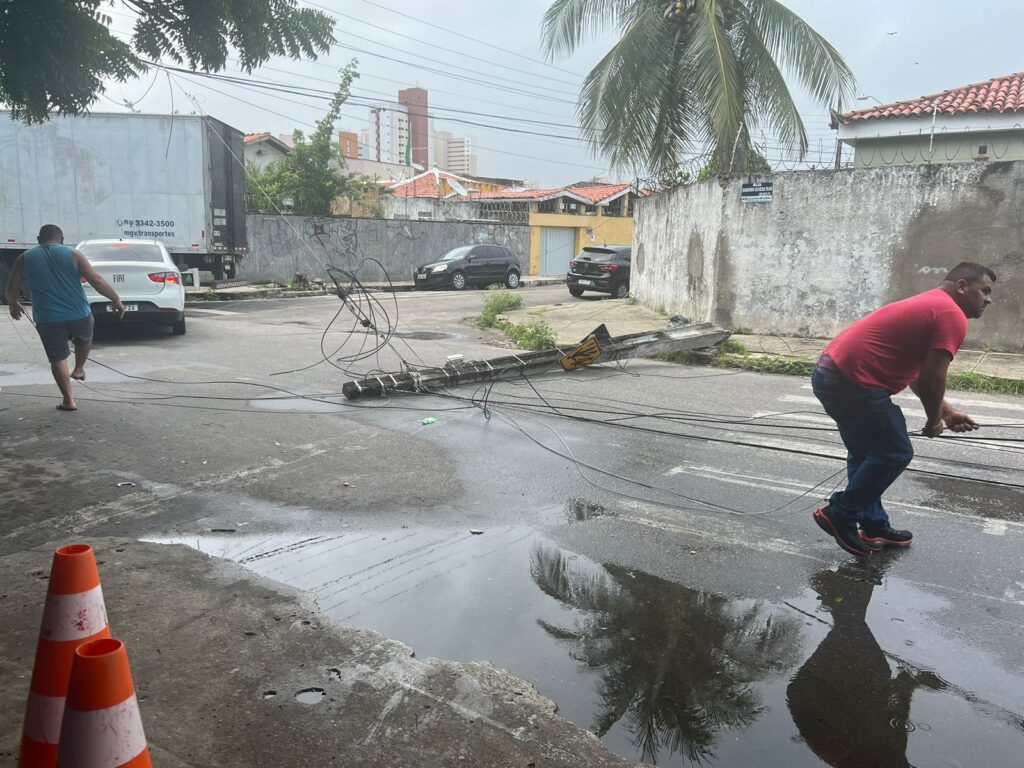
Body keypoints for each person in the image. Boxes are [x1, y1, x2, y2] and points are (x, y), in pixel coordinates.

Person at [811, 262, 995, 557]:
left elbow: (919, 375)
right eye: (985, 290)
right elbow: (934, 378)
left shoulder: (931, 305)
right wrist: (934, 421)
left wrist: (946, 413)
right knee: (894, 452)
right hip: (854, 383)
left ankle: (873, 526)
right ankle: (841, 513)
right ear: (962, 286)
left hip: (831, 374)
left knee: (868, 454)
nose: (988, 299)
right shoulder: (951, 314)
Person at [5, 224, 125, 411]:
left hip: (47, 317)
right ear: (62, 239)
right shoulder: (74, 255)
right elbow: (96, 280)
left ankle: (69, 400)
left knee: (57, 357)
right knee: (84, 339)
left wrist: (13, 303)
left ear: (38, 240)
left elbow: (12, 286)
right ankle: (79, 368)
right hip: (78, 313)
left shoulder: (24, 258)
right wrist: (116, 299)